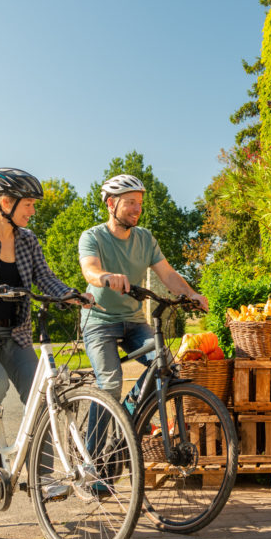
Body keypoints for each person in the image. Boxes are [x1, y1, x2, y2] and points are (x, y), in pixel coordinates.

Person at [0, 167, 90, 484]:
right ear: (6, 202)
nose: (33, 211)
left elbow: (45, 278)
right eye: (29, 204)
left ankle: (44, 479)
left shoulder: (27, 241)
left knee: (41, 392)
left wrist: (72, 295)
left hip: (14, 335)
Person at [79, 174, 209, 412]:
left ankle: (127, 417)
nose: (137, 209)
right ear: (111, 204)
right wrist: (106, 277)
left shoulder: (145, 238)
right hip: (100, 321)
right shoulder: (93, 236)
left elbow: (168, 274)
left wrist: (192, 294)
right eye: (130, 202)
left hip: (134, 321)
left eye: (139, 203)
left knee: (167, 367)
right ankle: (92, 450)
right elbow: (90, 270)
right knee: (109, 385)